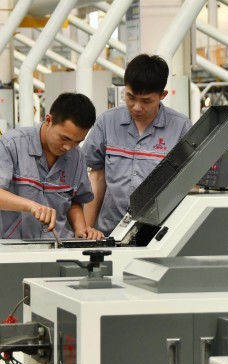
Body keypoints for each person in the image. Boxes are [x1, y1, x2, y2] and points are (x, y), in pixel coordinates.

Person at [81, 54, 192, 236]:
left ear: (162, 95)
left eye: (146, 101)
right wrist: (87, 230)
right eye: (130, 97)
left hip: (158, 234)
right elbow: (97, 177)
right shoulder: (107, 122)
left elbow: (189, 185)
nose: (136, 107)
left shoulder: (181, 127)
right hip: (110, 231)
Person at [0, 92, 103, 240]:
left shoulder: (77, 156)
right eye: (65, 138)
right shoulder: (12, 144)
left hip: (55, 246)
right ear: (49, 120)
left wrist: (80, 229)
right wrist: (31, 206)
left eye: (77, 142)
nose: (68, 147)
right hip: (10, 247)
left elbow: (74, 200)